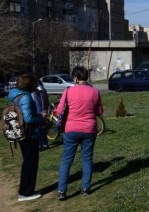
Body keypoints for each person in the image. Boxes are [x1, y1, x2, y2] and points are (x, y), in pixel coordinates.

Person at [57, 66, 103, 200]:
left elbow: (60, 111)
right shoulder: (95, 92)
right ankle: (86, 188)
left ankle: (62, 190)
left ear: (75, 78)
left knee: (66, 160)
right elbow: (99, 112)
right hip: (89, 129)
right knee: (87, 159)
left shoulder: (68, 91)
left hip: (71, 129)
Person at [8, 74, 44, 201]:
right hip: (29, 134)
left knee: (27, 162)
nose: (37, 85)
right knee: (30, 163)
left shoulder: (15, 95)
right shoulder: (26, 97)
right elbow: (28, 118)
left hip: (22, 133)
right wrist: (40, 118)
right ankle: (26, 192)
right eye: (35, 83)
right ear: (30, 85)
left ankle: (25, 190)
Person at [31, 79, 50, 150]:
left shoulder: (39, 88)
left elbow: (43, 100)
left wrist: (44, 110)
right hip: (36, 111)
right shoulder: (34, 89)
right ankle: (40, 143)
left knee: (42, 128)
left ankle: (44, 144)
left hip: (40, 111)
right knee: (38, 128)